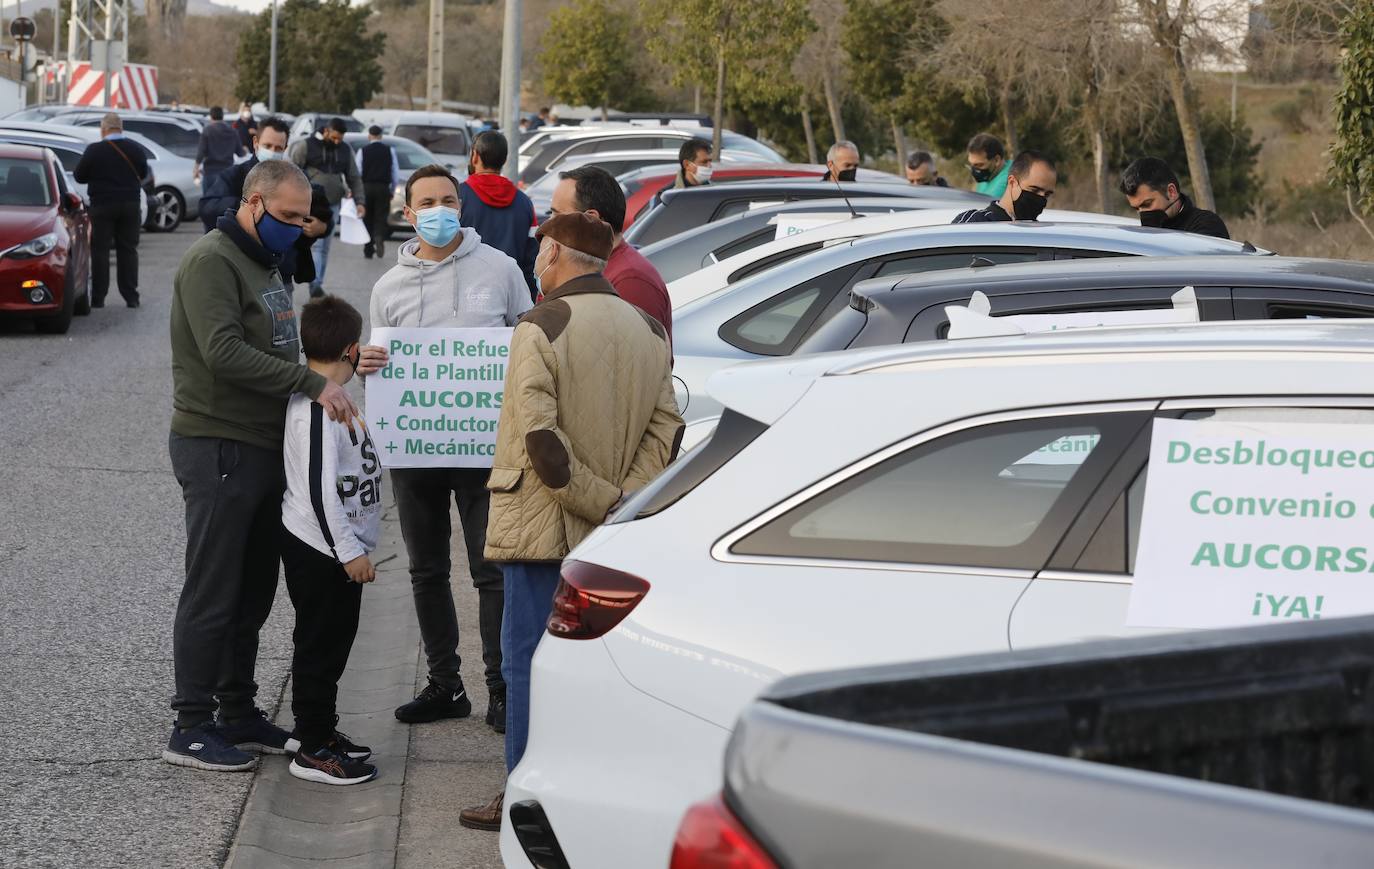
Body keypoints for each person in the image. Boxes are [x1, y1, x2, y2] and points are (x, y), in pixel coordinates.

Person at [457, 212, 683, 832]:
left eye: (540, 252)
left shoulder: (541, 324)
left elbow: (540, 439)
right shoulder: (645, 326)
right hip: (614, 532)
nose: (535, 262)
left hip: (542, 528)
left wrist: (594, 499)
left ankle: (524, 802)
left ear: (554, 254)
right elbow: (667, 426)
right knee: (598, 667)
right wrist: (622, 500)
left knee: (527, 663)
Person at [164, 159, 386, 773]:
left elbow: (284, 346)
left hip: (264, 448)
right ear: (255, 203)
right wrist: (311, 382)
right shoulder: (212, 262)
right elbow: (224, 352)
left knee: (254, 589)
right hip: (220, 445)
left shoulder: (266, 260)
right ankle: (190, 724)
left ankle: (237, 710)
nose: (300, 228)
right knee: (214, 588)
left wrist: (343, 364)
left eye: (304, 218)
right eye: (288, 217)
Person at [369, 164, 532, 734]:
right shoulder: (388, 288)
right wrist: (368, 363)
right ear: (408, 214)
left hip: (485, 448)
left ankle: (502, 687)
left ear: (460, 206)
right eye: (426, 203)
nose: (438, 210)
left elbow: (528, 341)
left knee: (491, 572)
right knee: (426, 571)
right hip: (416, 453)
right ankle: (446, 684)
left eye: (447, 200)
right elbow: (378, 363)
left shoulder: (501, 268)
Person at [280, 294, 382, 786]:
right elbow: (321, 493)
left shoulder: (337, 397)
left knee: (334, 644)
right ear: (351, 349)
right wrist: (350, 553)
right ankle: (313, 748)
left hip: (338, 547)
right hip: (322, 551)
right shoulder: (318, 410)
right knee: (320, 646)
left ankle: (321, 728)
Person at [198, 116, 333, 287]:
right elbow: (207, 207)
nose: (272, 151)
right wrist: (249, 207)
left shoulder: (296, 181)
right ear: (256, 143)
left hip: (280, 274)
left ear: (285, 148)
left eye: (278, 147)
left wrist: (322, 228)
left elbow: (322, 213)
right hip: (239, 269)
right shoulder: (235, 175)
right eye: (267, 146)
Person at [551, 165, 671, 345]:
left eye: (557, 214)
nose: (550, 224)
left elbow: (637, 363)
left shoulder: (631, 281)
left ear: (591, 219)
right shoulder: (586, 267)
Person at [74, 113, 149, 309]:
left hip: (103, 205)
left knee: (100, 251)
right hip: (131, 205)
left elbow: (79, 176)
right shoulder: (135, 148)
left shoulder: (94, 150)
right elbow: (144, 173)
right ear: (120, 128)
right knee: (128, 250)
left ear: (103, 129)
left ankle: (99, 297)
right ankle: (131, 296)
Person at [290, 117, 365, 297]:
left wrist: (360, 202)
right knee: (316, 245)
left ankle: (317, 283)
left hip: (333, 203)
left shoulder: (345, 150)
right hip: (310, 203)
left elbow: (354, 177)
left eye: (340, 138)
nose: (337, 141)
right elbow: (292, 170)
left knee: (324, 247)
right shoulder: (306, 146)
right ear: (326, 132)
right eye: (334, 137)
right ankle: (314, 283)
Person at [459, 130, 539, 298]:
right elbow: (532, 257)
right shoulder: (524, 202)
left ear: (475, 156)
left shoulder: (457, 197)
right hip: (511, 292)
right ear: (504, 160)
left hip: (466, 290)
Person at [1119, 157, 1229, 239]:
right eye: (1136, 209)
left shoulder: (1207, 225)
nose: (1142, 213)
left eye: (1147, 204)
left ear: (1171, 192)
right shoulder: (1141, 234)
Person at [953, 150, 1057, 224]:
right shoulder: (975, 223)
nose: (1041, 199)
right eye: (1034, 190)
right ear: (1012, 182)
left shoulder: (1041, 235)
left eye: (1047, 194)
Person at [356, 125, 399, 260]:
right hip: (383, 187)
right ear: (381, 136)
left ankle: (368, 248)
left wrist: (357, 191)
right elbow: (395, 173)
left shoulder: (363, 151)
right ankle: (379, 236)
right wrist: (392, 190)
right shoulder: (389, 151)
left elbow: (358, 172)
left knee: (366, 217)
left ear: (369, 136)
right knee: (381, 216)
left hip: (366, 187)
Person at [195, 106, 245, 195]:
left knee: (208, 203)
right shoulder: (233, 132)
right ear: (222, 116)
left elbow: (201, 152)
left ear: (211, 117)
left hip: (210, 173)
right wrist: (245, 149)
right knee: (225, 204)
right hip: (227, 174)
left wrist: (195, 169)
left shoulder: (207, 130)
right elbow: (240, 153)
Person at [966, 133, 1010, 198]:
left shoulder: (1005, 184)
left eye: (979, 165)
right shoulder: (989, 176)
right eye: (972, 164)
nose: (974, 170)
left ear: (997, 160)